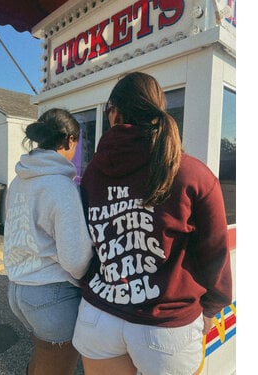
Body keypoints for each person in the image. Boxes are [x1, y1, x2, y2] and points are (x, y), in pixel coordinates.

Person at [72, 72, 232, 375]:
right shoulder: (193, 173)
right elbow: (215, 251)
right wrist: (212, 306)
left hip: (100, 316)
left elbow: (84, 240)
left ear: (114, 112)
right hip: (166, 326)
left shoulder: (92, 172)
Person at [3, 108, 93, 375]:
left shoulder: (18, 181)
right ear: (68, 140)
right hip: (52, 295)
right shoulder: (61, 187)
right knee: (58, 368)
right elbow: (75, 261)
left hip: (19, 291)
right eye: (77, 142)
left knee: (43, 358)